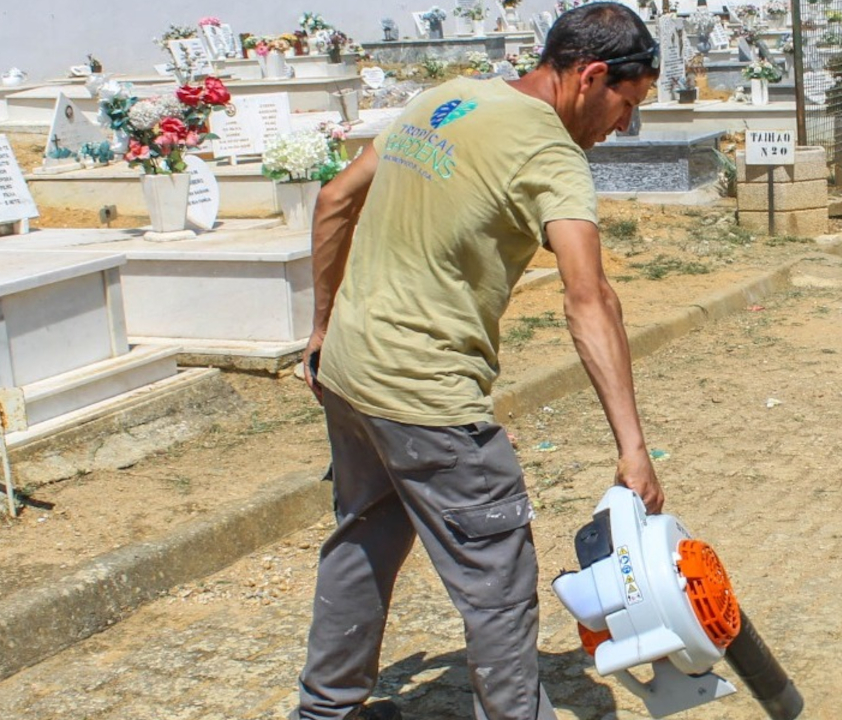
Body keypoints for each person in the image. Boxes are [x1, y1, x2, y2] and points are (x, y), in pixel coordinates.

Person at [291, 4, 664, 719]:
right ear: (590, 77)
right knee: (496, 579)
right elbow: (590, 301)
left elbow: (336, 197)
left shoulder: (448, 97)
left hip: (349, 372)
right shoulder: (552, 153)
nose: (623, 125)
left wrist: (321, 327)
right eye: (628, 104)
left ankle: (323, 713)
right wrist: (633, 449)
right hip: (426, 397)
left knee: (363, 539)